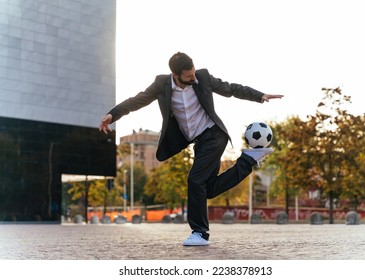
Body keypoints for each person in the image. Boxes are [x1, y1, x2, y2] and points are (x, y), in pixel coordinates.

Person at [99, 52, 283, 246]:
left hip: (214, 135)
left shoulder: (202, 78)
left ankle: (200, 233)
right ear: (175, 75)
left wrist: (259, 95)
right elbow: (137, 101)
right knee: (206, 189)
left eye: (194, 74)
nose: (193, 78)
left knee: (195, 180)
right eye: (188, 77)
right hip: (198, 142)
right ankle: (249, 160)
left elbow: (230, 88)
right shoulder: (161, 84)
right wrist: (112, 115)